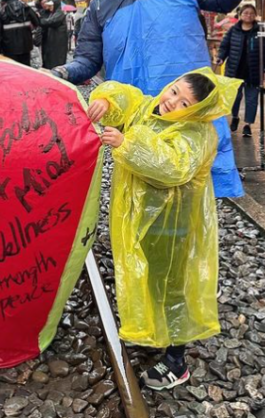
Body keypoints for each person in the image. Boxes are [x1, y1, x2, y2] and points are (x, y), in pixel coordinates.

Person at [53, 0, 247, 198]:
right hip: (138, 114)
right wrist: (60, 72)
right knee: (145, 191)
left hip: (188, 106)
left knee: (195, 188)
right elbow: (87, 60)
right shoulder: (98, 7)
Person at [88, 68, 241, 390]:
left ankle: (176, 361)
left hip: (175, 228)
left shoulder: (197, 135)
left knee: (173, 289)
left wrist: (126, 143)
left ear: (197, 112)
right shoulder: (151, 108)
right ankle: (155, 332)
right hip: (144, 222)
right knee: (148, 279)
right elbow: (128, 98)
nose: (172, 102)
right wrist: (105, 100)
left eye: (184, 102)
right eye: (174, 91)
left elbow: (170, 166)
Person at [217, 4, 265, 138]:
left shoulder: (261, 31)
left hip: (254, 72)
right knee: (234, 98)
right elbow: (225, 46)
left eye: (251, 13)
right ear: (240, 15)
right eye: (246, 13)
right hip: (234, 71)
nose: (249, 15)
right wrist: (220, 57)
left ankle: (248, 124)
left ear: (255, 16)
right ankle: (235, 116)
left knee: (252, 99)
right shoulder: (233, 30)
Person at [0, 0, 40, 66]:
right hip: (25, 47)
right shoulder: (26, 8)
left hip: (8, 49)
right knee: (25, 70)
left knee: (12, 71)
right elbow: (37, 22)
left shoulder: (2, 12)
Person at [40, 0, 69, 69]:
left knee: (57, 63)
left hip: (58, 44)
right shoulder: (53, 13)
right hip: (53, 44)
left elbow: (51, 22)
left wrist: (39, 20)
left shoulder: (59, 13)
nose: (49, 7)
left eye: (51, 5)